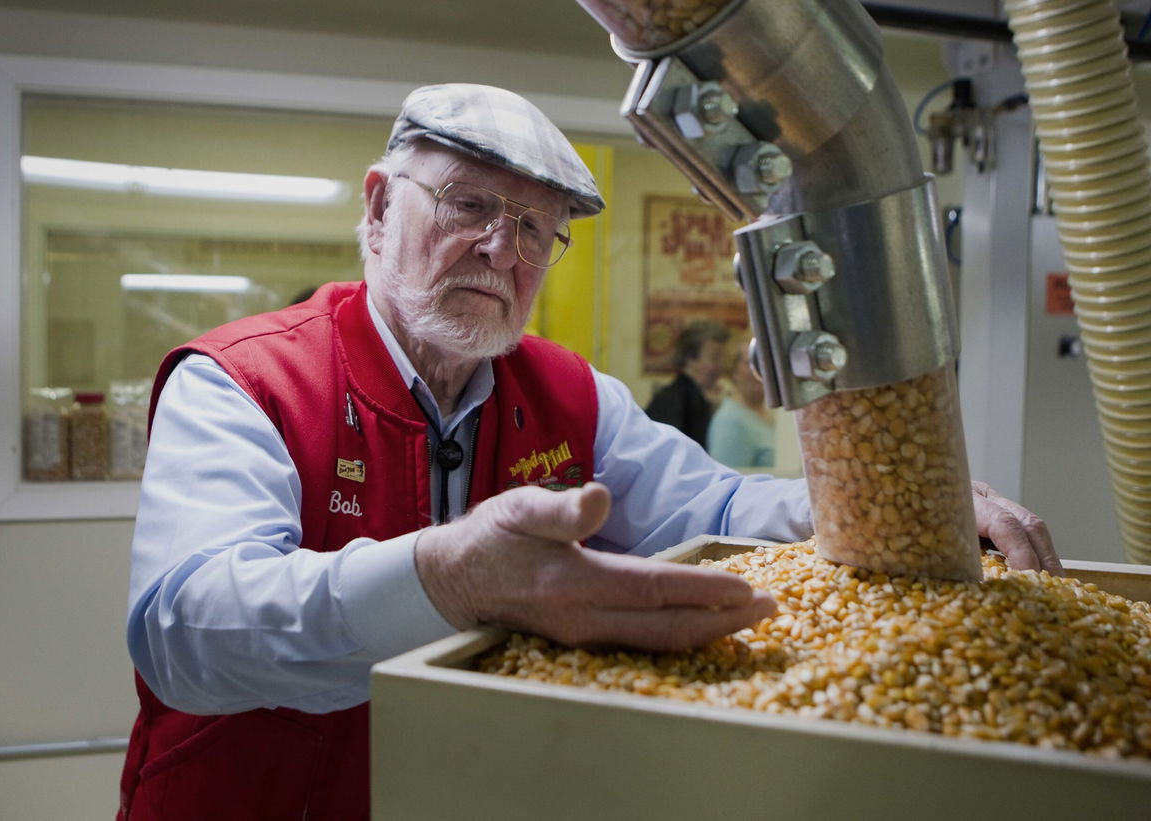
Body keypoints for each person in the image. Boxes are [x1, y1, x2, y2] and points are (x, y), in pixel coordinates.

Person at [118, 83, 1061, 820]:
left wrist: (896, 502)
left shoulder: (568, 394)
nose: (501, 248)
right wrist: (448, 578)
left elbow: (719, 510)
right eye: (469, 202)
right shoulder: (244, 380)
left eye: (536, 228)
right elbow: (183, 630)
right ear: (376, 208)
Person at [645, 319, 729, 446]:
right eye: (714, 358)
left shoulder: (677, 396)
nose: (720, 366)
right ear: (690, 359)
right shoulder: (680, 402)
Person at [707, 336, 775, 468]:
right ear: (734, 371)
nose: (760, 370)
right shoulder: (730, 421)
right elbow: (728, 481)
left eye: (765, 362)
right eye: (750, 363)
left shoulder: (769, 415)